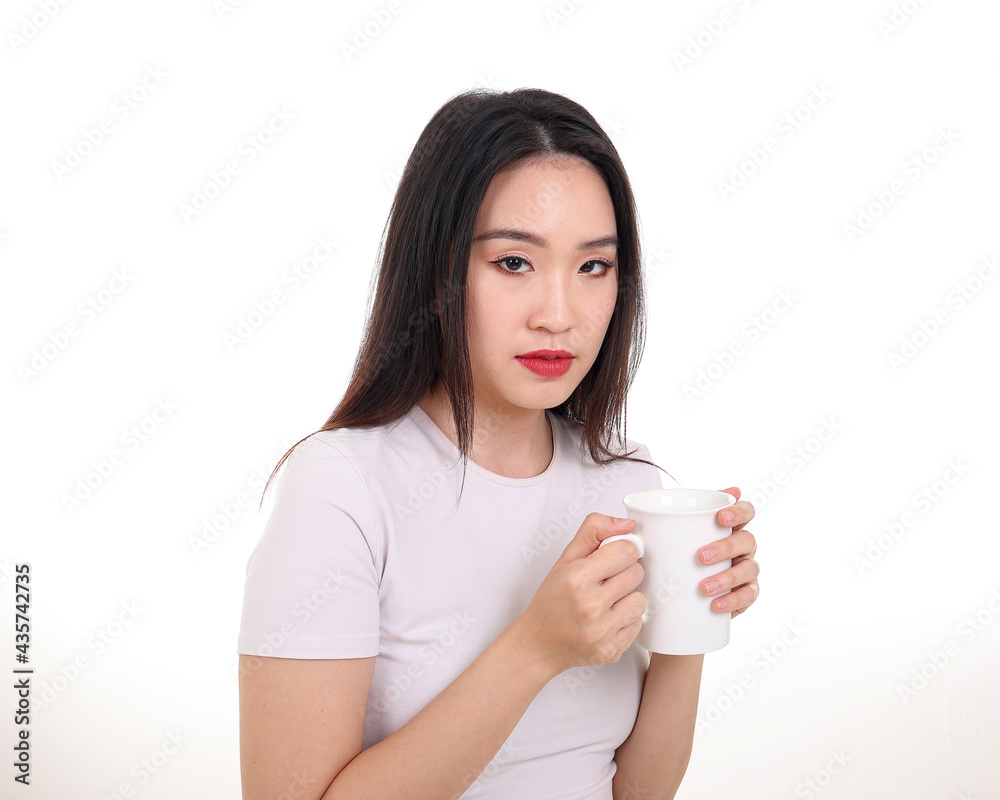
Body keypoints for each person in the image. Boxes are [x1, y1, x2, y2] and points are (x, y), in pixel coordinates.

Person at [237, 87, 760, 800]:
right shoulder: (339, 489)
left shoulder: (626, 482)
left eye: (593, 266)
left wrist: (692, 615)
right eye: (514, 262)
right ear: (437, 270)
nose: (559, 315)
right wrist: (536, 649)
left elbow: (636, 793)